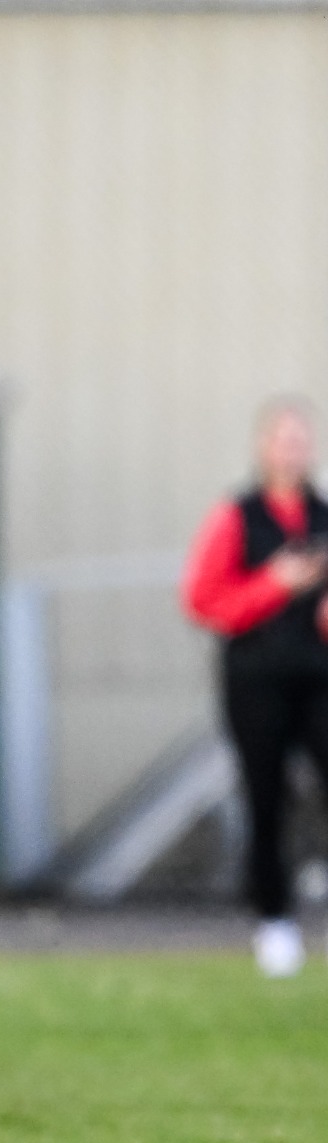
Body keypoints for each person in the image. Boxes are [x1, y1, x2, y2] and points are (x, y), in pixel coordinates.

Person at [184, 396, 328, 977]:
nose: (291, 449)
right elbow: (204, 600)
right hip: (257, 680)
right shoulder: (237, 516)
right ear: (262, 447)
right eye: (281, 438)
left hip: (320, 677)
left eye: (301, 439)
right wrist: (274, 585)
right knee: (266, 798)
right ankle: (274, 920)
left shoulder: (322, 515)